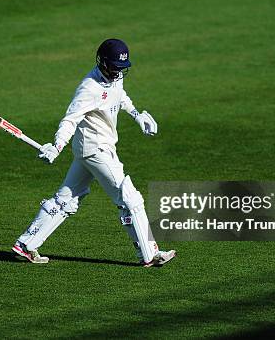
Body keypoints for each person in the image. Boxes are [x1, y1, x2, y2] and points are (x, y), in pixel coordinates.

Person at [12, 39, 176, 267]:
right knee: (129, 197)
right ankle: (149, 254)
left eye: (121, 68)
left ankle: (26, 243)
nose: (118, 72)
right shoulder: (89, 88)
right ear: (101, 62)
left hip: (92, 149)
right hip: (96, 149)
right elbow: (70, 119)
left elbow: (121, 96)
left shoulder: (115, 78)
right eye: (114, 67)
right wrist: (57, 145)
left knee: (66, 200)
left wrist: (137, 115)